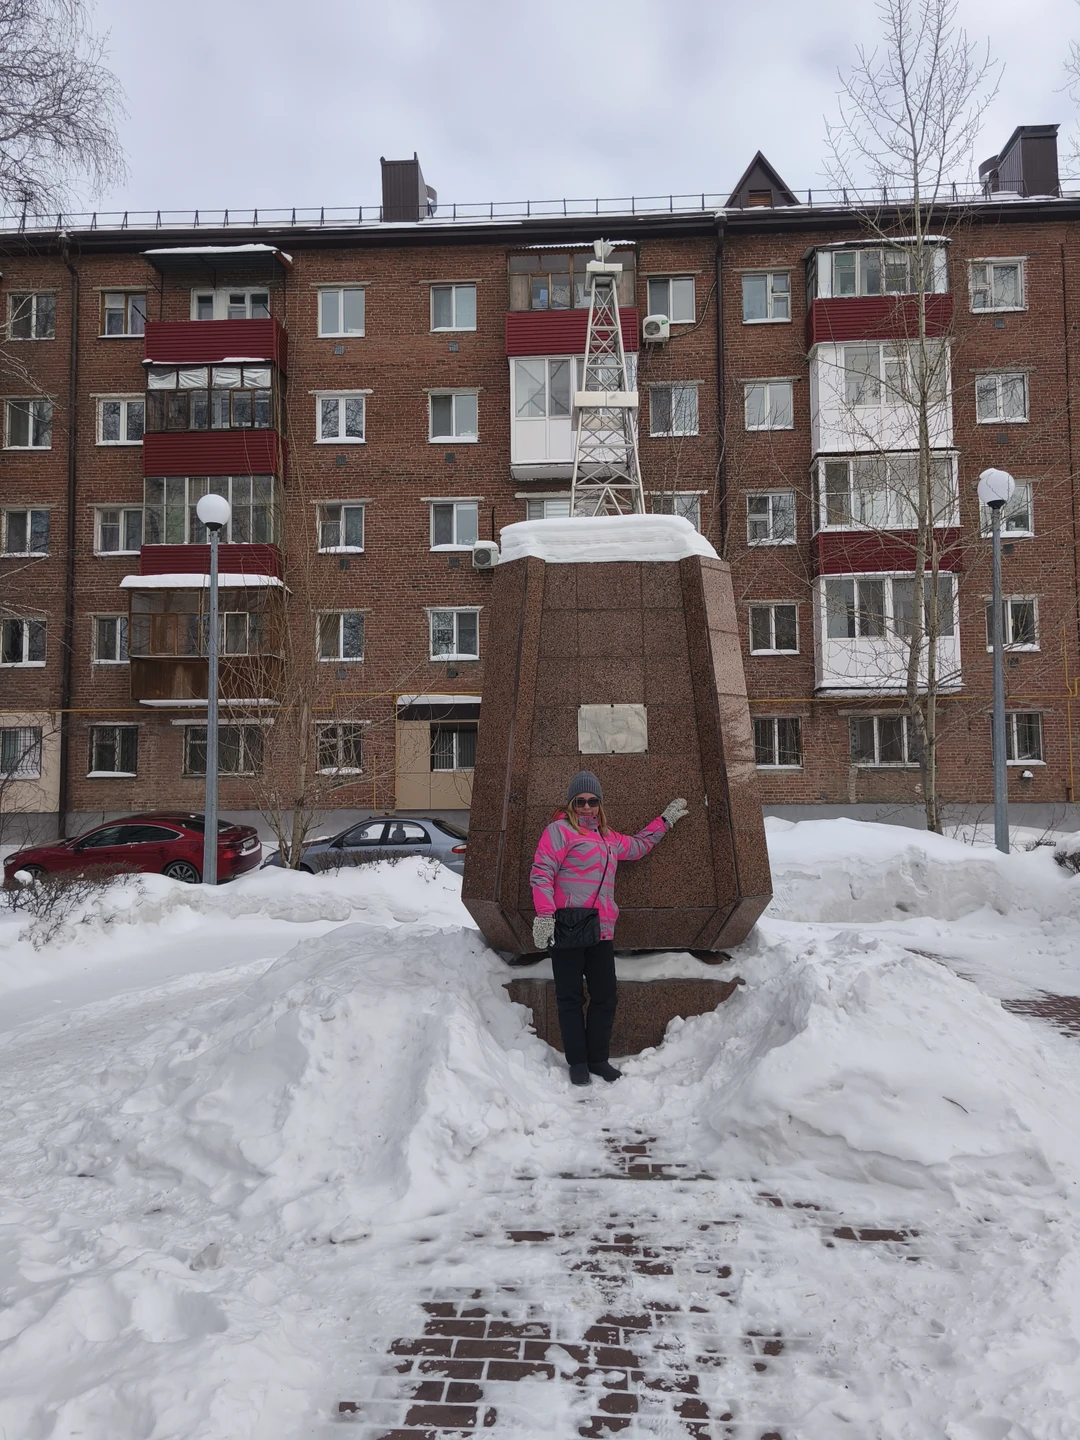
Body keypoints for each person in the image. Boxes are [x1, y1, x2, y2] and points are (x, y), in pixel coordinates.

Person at [529, 771, 688, 1087]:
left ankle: (598, 1059)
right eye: (581, 801)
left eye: (593, 801)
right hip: (568, 928)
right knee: (570, 998)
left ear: (600, 804)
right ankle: (578, 1063)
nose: (587, 807)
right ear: (572, 803)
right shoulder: (558, 832)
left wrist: (665, 821)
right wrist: (545, 916)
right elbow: (541, 873)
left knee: (605, 996)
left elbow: (639, 846)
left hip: (601, 930)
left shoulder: (609, 837)